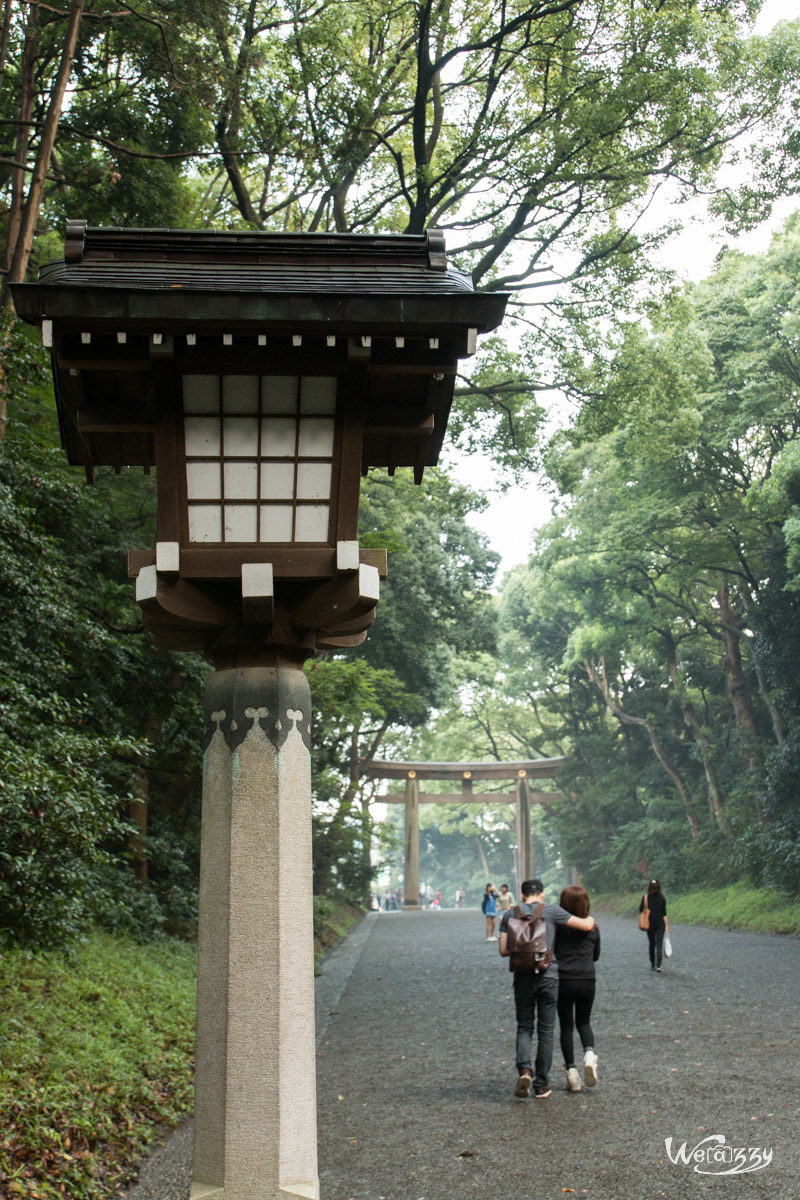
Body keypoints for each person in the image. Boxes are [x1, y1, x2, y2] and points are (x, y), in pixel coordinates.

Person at [499, 879, 597, 1099]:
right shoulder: (552, 911)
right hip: (548, 976)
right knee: (546, 1030)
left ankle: (524, 1069)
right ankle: (541, 1084)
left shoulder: (509, 914)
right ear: (542, 894)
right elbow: (585, 925)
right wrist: (590, 918)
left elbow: (503, 950)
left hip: (522, 978)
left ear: (522, 895)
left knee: (524, 1026)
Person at [555, 884, 600, 1092]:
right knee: (584, 1022)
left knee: (566, 1025)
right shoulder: (593, 927)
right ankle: (589, 1054)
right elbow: (596, 955)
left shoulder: (558, 927)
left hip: (564, 979)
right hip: (587, 979)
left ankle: (572, 1073)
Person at [640, 878, 668, 971]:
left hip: (649, 924)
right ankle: (659, 964)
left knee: (652, 943)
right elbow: (664, 913)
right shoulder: (662, 898)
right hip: (660, 924)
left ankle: (652, 962)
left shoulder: (646, 898)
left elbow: (640, 909)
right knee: (659, 944)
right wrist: (666, 926)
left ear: (649, 887)